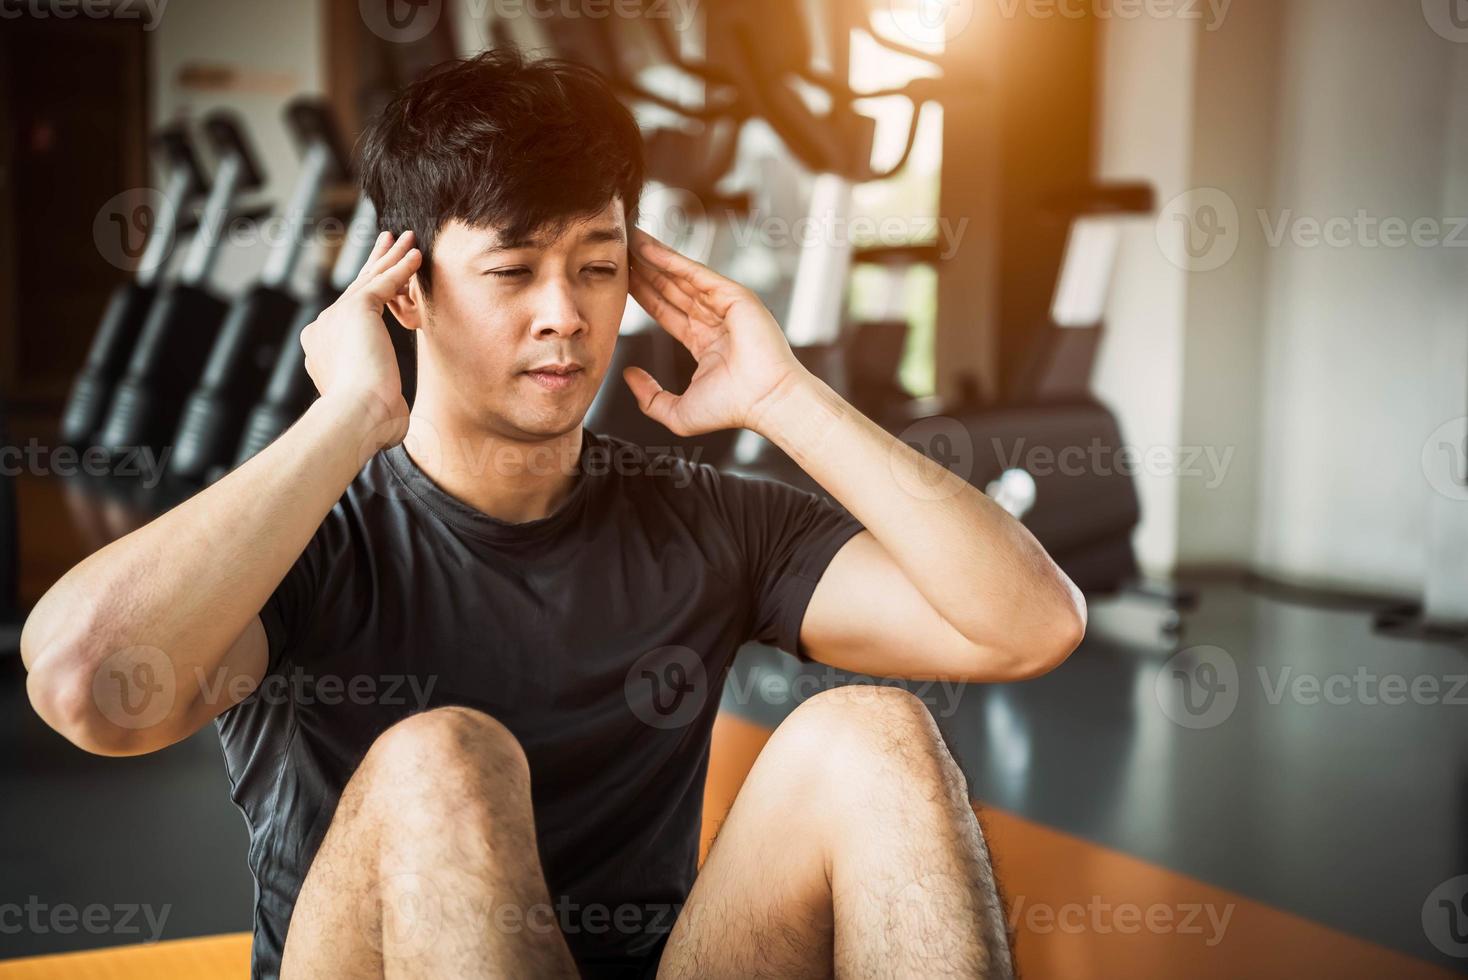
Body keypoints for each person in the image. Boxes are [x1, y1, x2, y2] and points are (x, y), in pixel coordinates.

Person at [21, 49, 1085, 980]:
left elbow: (1030, 622)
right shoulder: (315, 532)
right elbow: (86, 688)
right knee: (446, 756)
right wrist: (345, 415)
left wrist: (783, 396)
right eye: (512, 270)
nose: (565, 316)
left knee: (874, 731)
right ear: (405, 290)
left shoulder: (703, 517)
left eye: (596, 266)